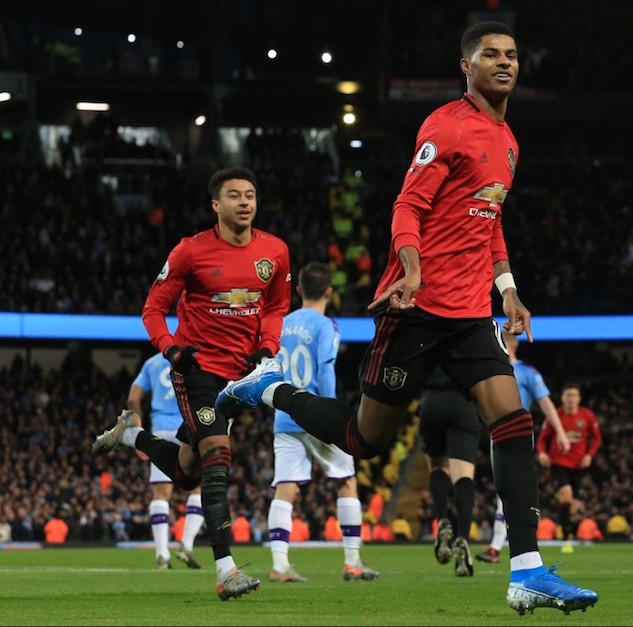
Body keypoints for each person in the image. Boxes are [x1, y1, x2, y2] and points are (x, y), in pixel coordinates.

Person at [216, 22, 597, 615]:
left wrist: (509, 289)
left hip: (472, 315)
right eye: (490, 55)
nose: (504, 63)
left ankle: (526, 571)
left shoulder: (510, 142)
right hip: (415, 310)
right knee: (363, 441)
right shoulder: (445, 125)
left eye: (512, 55)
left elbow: (489, 221)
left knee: (514, 422)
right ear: (465, 67)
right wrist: (411, 271)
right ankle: (272, 389)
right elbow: (407, 205)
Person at [93, 167, 290, 600]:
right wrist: (170, 349)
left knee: (185, 473)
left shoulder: (275, 251)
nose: (244, 202)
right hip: (197, 371)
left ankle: (131, 435)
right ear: (215, 205)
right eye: (234, 195)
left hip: (239, 378)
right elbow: (152, 308)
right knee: (217, 458)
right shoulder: (190, 252)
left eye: (251, 195)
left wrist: (268, 344)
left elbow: (276, 305)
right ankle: (226, 571)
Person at [268, 261, 379, 583]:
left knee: (285, 489)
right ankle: (352, 562)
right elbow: (325, 369)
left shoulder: (282, 324)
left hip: (285, 414)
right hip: (317, 413)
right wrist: (332, 413)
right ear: (329, 291)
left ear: (299, 290)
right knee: (346, 481)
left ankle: (279, 565)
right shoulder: (326, 326)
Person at [477, 331, 571, 564]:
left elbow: (545, 403)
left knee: (508, 488)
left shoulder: (527, 372)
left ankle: (499, 547)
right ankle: (505, 547)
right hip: (494, 433)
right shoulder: (492, 371)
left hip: (517, 436)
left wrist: (560, 432)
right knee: (504, 489)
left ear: (506, 344)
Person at [128, 352, 204, 570]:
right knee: (198, 488)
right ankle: (186, 545)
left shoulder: (151, 363)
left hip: (161, 430)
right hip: (188, 428)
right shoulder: (193, 359)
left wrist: (138, 432)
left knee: (161, 493)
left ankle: (162, 554)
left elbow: (133, 398)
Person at [418, 367, 481, 577]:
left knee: (437, 466)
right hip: (462, 402)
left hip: (430, 402)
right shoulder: (469, 338)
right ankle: (463, 537)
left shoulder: (424, 338)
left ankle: (442, 519)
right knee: (463, 474)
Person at [536, 383, 601, 552]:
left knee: (573, 503)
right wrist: (542, 453)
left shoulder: (587, 415)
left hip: (579, 465)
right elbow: (542, 438)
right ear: (563, 398)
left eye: (574, 395)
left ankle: (569, 531)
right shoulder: (554, 416)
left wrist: (589, 455)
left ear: (579, 398)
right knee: (566, 496)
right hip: (558, 462)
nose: (571, 399)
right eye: (568, 395)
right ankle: (566, 536)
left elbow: (597, 438)